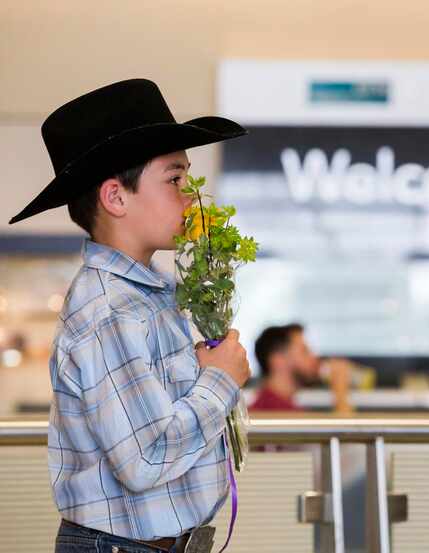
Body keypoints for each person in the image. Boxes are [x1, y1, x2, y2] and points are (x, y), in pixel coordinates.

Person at [8, 79, 251, 553]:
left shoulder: (143, 296)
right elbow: (146, 456)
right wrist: (220, 380)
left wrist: (203, 372)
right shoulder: (110, 310)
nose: (191, 195)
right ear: (116, 197)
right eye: (174, 179)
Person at [249, 323, 354, 414]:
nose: (314, 358)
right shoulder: (277, 413)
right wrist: (340, 392)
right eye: (304, 351)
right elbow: (349, 435)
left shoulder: (271, 406)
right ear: (278, 359)